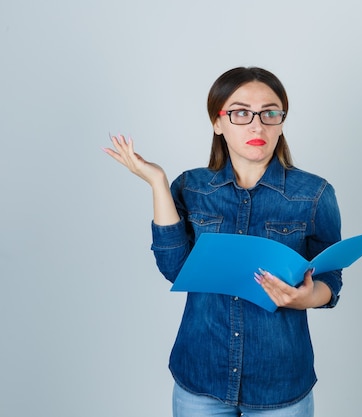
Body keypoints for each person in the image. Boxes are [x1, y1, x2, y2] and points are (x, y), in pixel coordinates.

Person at [103, 66, 342, 417]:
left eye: (269, 113)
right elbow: (176, 270)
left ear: (281, 121)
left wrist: (307, 297)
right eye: (241, 113)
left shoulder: (315, 194)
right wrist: (156, 181)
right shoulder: (190, 187)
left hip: (280, 381)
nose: (257, 125)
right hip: (201, 375)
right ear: (218, 122)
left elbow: (331, 280)